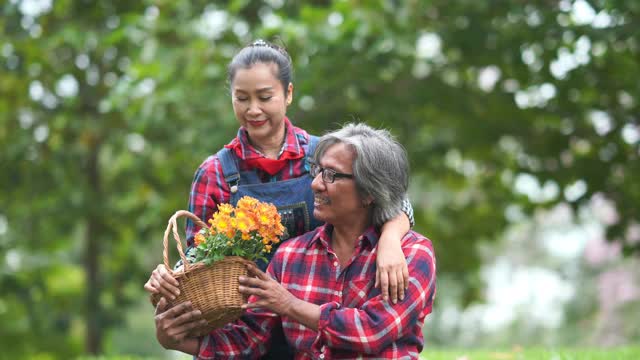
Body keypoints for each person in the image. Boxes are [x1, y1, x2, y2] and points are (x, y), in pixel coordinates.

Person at [144, 40, 414, 359]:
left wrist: (391, 240)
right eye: (241, 98)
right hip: (246, 328)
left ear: (288, 94)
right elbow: (197, 258)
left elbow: (393, 203)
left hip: (320, 322)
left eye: (265, 96)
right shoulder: (215, 173)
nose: (253, 109)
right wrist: (169, 278)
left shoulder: (327, 155)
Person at [153, 123, 436, 359]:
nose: (315, 184)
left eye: (331, 175)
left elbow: (371, 331)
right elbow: (249, 340)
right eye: (317, 171)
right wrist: (179, 341)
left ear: (369, 191)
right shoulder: (290, 257)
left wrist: (289, 304)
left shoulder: (412, 255)